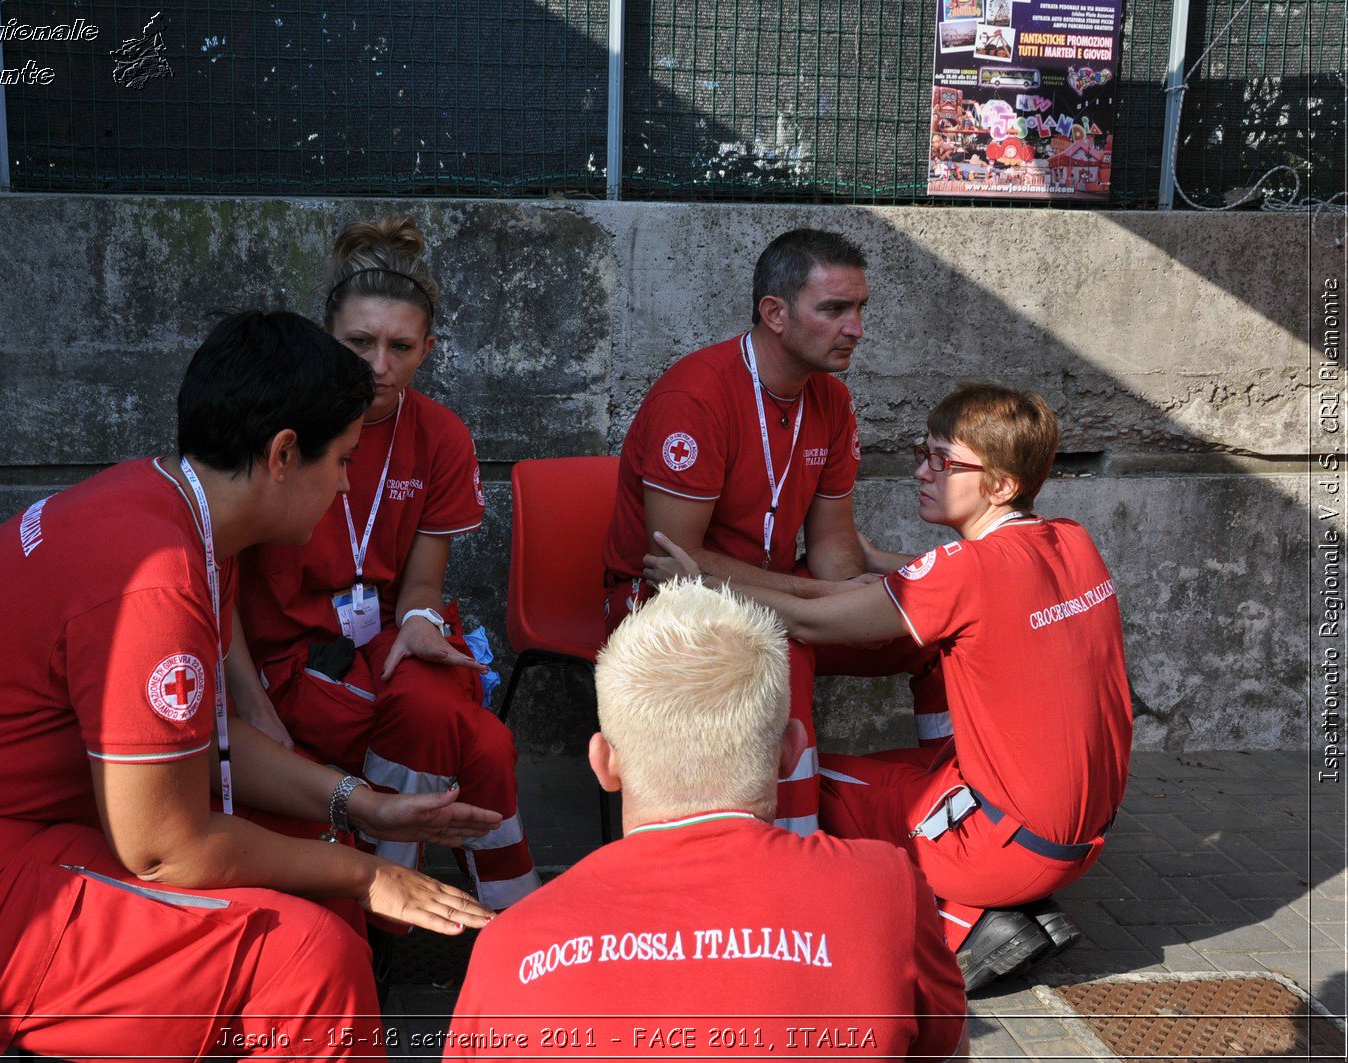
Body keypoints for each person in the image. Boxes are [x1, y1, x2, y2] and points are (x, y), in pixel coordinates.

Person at [0, 311, 502, 1062]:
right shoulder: (154, 575)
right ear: (281, 454)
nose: (344, 485)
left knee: (322, 873)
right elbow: (164, 848)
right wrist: (371, 871)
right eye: (340, 459)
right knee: (306, 962)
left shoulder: (174, 508)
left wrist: (361, 805)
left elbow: (193, 744)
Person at [646, 384, 1132, 992]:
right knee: (900, 761)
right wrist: (878, 559)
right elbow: (934, 585)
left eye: (942, 461)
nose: (921, 471)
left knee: (801, 782)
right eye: (923, 452)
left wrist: (704, 584)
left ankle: (965, 920)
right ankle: (1000, 894)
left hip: (1002, 848)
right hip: (1076, 841)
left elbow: (810, 621)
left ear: (1002, 486)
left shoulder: (967, 573)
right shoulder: (1072, 540)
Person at [445, 579, 967, 1061]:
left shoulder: (508, 949)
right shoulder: (887, 887)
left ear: (603, 763)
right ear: (791, 752)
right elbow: (946, 1049)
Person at [236, 217, 539, 911]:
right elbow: (218, 579)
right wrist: (249, 700)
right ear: (325, 337)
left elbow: (422, 584)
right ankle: (468, 912)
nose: (379, 365)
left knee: (446, 712)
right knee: (480, 744)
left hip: (381, 646)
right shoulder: (271, 426)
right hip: (292, 660)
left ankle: (436, 913)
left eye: (400, 346)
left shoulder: (440, 436)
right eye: (359, 342)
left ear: (427, 349)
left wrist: (424, 621)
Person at [602, 229, 944, 838]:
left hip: (786, 594)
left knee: (938, 638)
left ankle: (956, 816)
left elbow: (835, 550)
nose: (856, 328)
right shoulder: (698, 398)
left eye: (861, 308)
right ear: (775, 313)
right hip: (670, 602)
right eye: (835, 309)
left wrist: (861, 592)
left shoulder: (833, 402)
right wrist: (824, 600)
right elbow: (677, 565)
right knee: (787, 660)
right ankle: (790, 859)